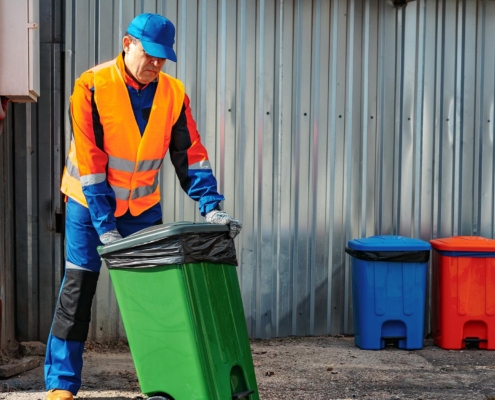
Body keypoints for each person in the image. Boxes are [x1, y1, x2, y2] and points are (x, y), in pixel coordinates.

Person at [45, 13, 241, 400]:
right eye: (149, 53)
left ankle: (167, 381)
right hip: (89, 207)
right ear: (127, 43)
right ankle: (61, 386)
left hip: (142, 209)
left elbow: (191, 156)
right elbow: (91, 161)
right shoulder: (91, 86)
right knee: (78, 289)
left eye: (163, 57)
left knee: (157, 298)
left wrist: (211, 207)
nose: (155, 63)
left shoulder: (173, 93)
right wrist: (104, 224)